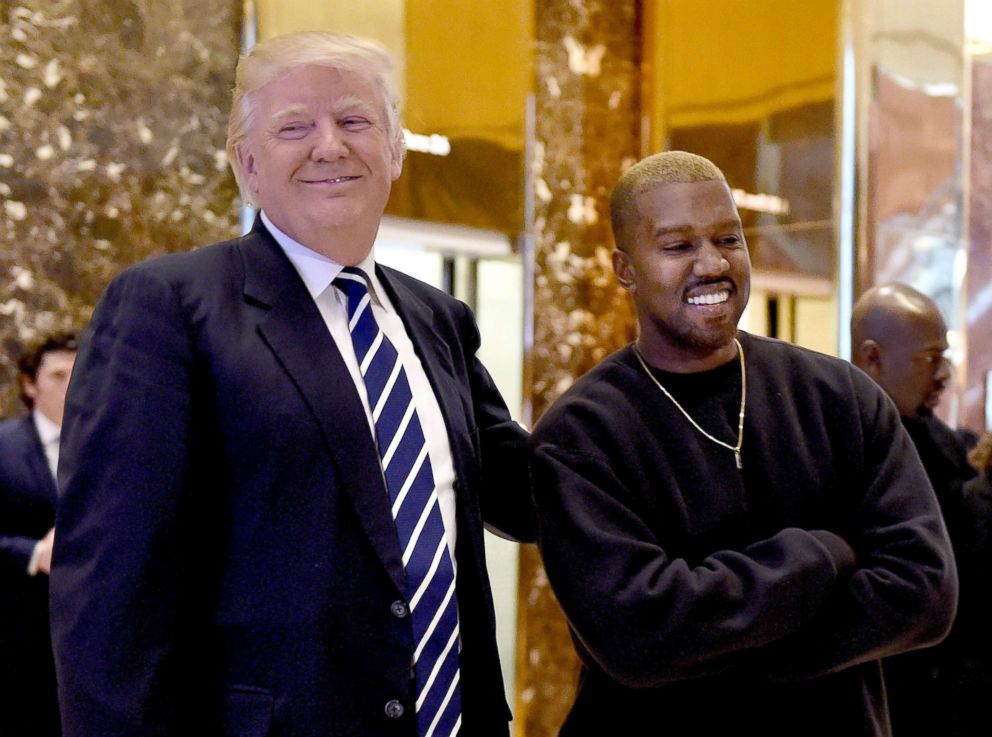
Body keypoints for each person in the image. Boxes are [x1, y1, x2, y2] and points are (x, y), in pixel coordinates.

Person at [50, 31, 534, 737]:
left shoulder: (437, 319)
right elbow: (109, 600)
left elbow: (528, 492)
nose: (330, 145)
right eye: (294, 127)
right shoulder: (170, 307)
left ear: (395, 150)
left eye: (355, 120)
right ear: (247, 165)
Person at [529, 151, 957, 737]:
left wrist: (708, 645)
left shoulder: (841, 397)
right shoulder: (582, 434)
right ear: (625, 269)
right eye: (677, 247)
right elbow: (637, 634)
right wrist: (822, 558)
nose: (711, 264)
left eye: (728, 239)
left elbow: (923, 591)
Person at [851, 282, 978, 737]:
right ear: (873, 357)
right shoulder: (831, 446)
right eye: (930, 358)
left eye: (945, 357)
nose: (943, 374)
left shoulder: (947, 449)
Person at [0, 331, 77, 737]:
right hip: (17, 652)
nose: (73, 385)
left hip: (93, 652)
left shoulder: (117, 449)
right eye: (59, 375)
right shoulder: (3, 447)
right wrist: (32, 554)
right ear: (30, 384)